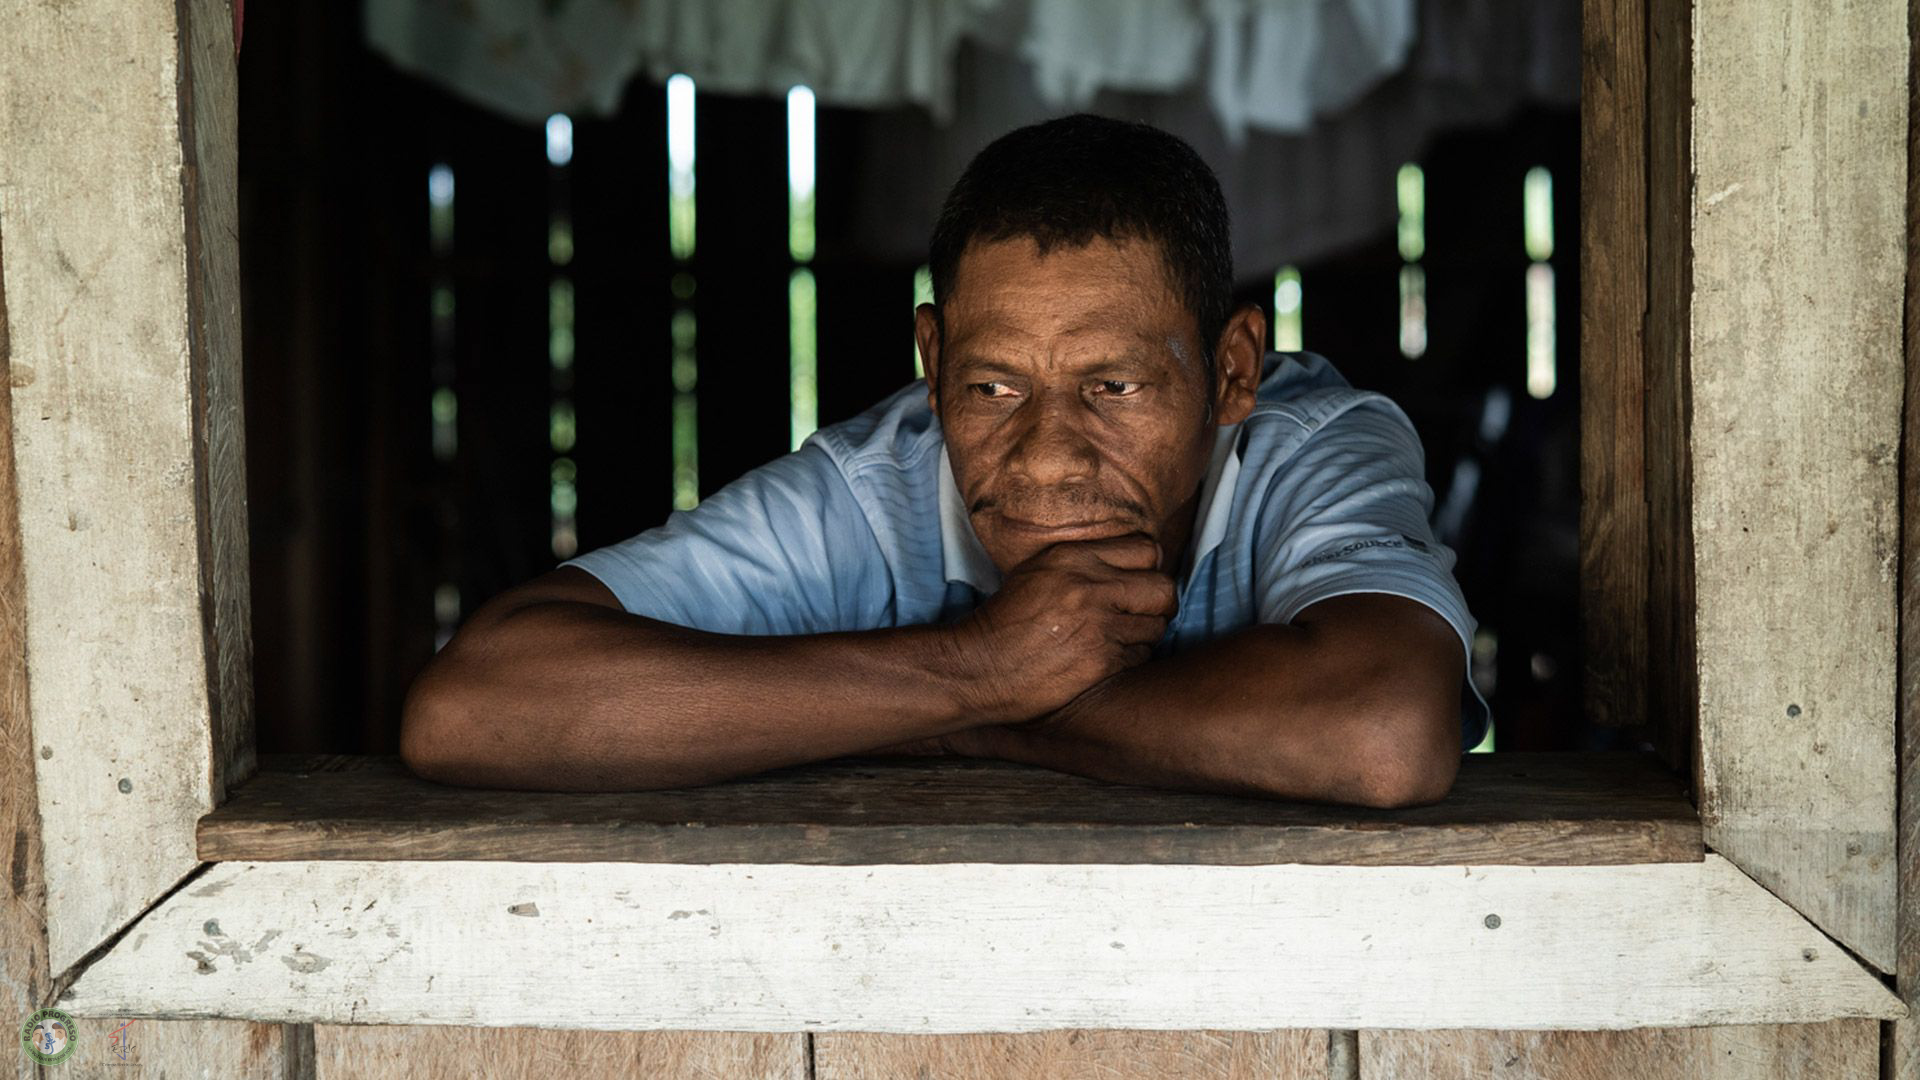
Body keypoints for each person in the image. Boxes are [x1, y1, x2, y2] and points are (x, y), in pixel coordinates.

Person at [400, 113, 1491, 805]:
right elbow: (475, 708)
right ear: (933, 362)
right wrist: (975, 669)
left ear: (1233, 370)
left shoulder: (1311, 444)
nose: (1046, 457)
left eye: (1113, 388)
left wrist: (987, 721)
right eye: (992, 388)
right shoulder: (875, 485)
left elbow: (1382, 732)